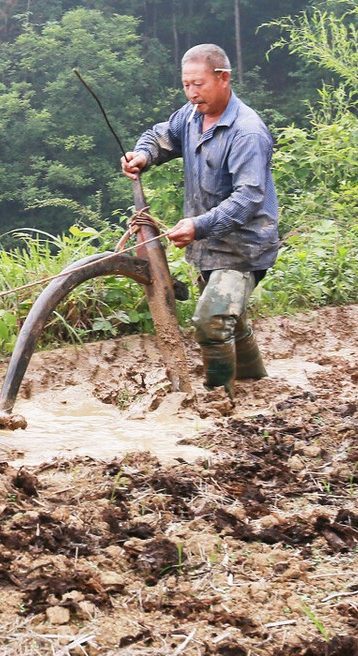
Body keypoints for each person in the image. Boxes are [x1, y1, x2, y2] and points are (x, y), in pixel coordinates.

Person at [121, 43, 279, 396]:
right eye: (186, 85)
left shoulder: (246, 132)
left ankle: (218, 398)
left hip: (243, 246)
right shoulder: (192, 117)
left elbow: (248, 198)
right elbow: (160, 135)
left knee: (211, 322)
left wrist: (198, 225)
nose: (192, 94)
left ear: (223, 79)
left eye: (199, 84)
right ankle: (256, 383)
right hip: (207, 243)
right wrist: (143, 156)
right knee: (227, 316)